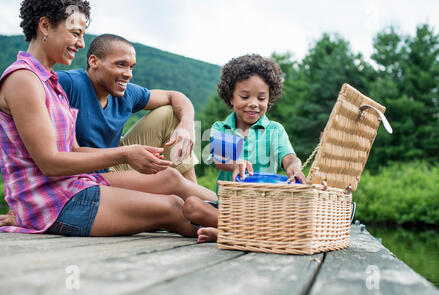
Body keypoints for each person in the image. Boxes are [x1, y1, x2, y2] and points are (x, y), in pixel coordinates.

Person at [0, 0, 217, 237]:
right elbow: (49, 163)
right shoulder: (23, 79)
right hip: (52, 205)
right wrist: (124, 154)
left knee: (169, 177)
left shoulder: (51, 84)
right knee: (174, 207)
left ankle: (245, 212)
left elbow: (73, 150)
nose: (81, 44)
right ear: (45, 26)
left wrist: (131, 151)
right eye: (75, 33)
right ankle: (244, 229)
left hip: (76, 184)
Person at [182, 54, 307, 243]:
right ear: (231, 97)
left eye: (261, 98)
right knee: (191, 206)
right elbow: (220, 159)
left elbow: (289, 157)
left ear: (269, 99)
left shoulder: (274, 130)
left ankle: (228, 233)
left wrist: (294, 167)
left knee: (289, 212)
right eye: (244, 96)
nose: (254, 104)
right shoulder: (222, 127)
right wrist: (233, 164)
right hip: (229, 207)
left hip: (264, 208)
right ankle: (245, 232)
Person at [56, 33, 199, 183]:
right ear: (94, 61)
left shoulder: (125, 92)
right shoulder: (68, 84)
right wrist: (126, 153)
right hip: (81, 173)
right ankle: (199, 198)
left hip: (113, 164)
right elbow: (64, 153)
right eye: (121, 65)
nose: (128, 74)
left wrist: (187, 124)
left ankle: (195, 194)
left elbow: (174, 96)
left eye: (131, 67)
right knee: (171, 180)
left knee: (171, 114)